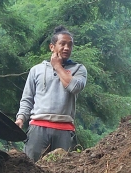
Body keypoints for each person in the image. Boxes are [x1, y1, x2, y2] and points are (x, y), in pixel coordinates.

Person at [16, 28, 87, 162]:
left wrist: (58, 67)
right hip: (38, 127)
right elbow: (27, 98)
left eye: (70, 45)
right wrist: (21, 118)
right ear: (52, 47)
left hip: (64, 130)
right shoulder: (36, 70)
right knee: (30, 168)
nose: (67, 48)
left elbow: (74, 87)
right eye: (63, 44)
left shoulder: (79, 69)